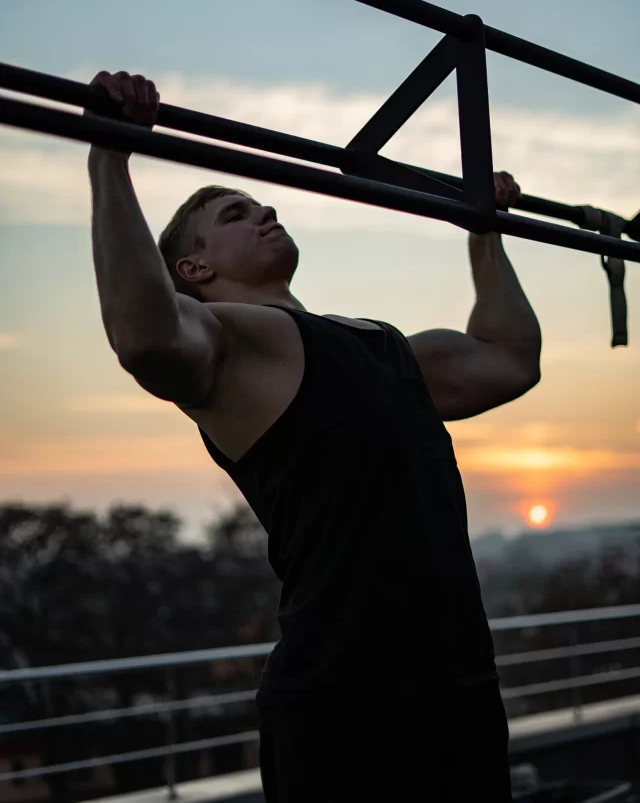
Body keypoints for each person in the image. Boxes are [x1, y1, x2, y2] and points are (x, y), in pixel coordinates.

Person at [87, 70, 541, 802]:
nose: (264, 207)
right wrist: (109, 155)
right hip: (345, 710)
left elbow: (511, 358)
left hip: (463, 692)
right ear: (194, 267)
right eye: (235, 213)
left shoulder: (386, 344)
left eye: (259, 202)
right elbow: (145, 335)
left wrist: (484, 232)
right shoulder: (229, 347)